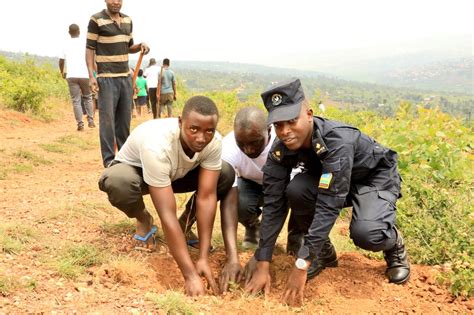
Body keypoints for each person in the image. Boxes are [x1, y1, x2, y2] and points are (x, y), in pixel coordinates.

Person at [244, 78, 410, 306]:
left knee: (366, 234)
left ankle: (394, 244)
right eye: (278, 125)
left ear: (309, 115)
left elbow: (328, 205)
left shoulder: (336, 141)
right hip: (333, 182)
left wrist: (302, 263)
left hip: (372, 179)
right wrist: (263, 260)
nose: (285, 131)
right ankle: (323, 253)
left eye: (292, 121)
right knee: (297, 190)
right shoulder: (280, 150)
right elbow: (273, 204)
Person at [98, 96, 234, 296]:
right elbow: (167, 213)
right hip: (139, 172)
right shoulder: (157, 144)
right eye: (193, 129)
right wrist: (189, 275)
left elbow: (206, 197)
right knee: (118, 182)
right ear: (180, 122)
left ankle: (185, 226)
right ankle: (144, 219)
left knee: (225, 173)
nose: (201, 138)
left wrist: (203, 257)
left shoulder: (213, 142)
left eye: (209, 131)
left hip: (176, 173)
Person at [86, 0, 150, 167]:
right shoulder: (96, 20)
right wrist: (92, 76)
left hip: (125, 78)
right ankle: (109, 160)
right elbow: (89, 49)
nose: (116, 2)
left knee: (124, 122)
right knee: (107, 121)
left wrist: (141, 46)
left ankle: (125, 158)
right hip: (106, 78)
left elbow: (129, 47)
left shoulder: (128, 20)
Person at [59, 24, 95, 131]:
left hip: (71, 76)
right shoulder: (85, 44)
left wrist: (62, 72)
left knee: (76, 100)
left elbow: (61, 61)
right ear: (79, 32)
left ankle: (80, 124)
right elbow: (92, 58)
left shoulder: (65, 44)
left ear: (69, 32)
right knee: (88, 97)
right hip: (85, 75)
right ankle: (91, 120)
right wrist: (92, 74)